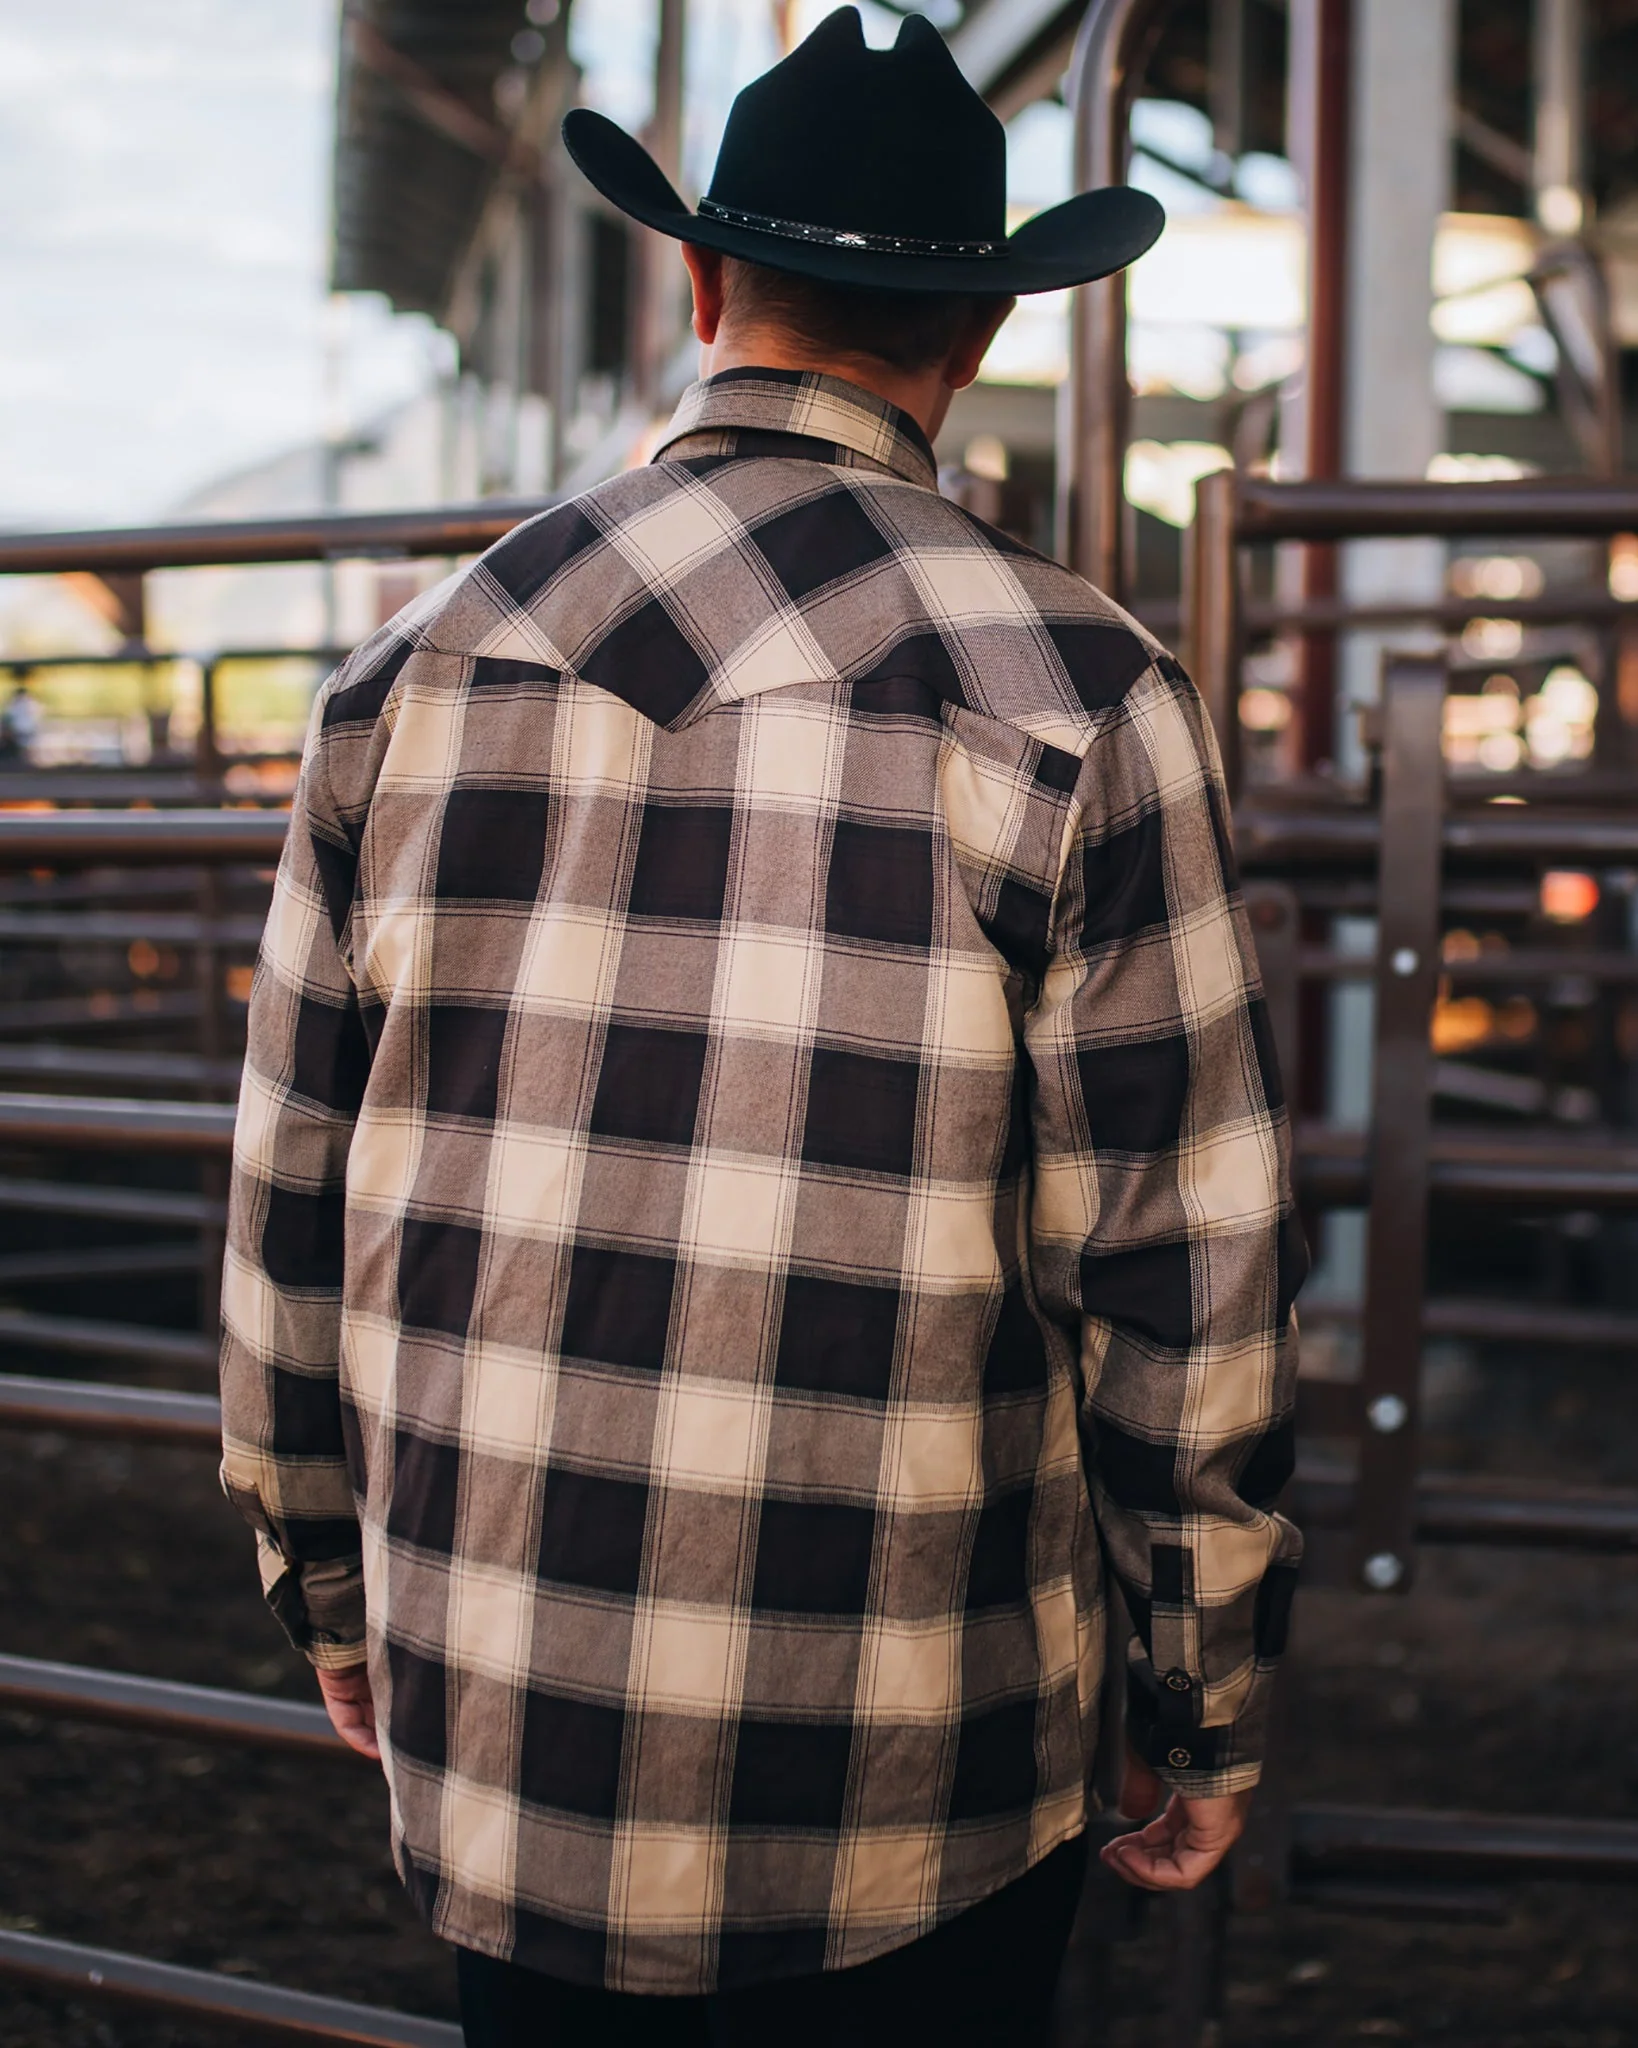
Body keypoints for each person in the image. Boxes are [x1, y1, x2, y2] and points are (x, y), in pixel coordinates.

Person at [219, 12, 1303, 2044]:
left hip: (508, 1691)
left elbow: (294, 1182)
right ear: (976, 331)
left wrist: (328, 1586)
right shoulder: (1085, 693)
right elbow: (1181, 1260)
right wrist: (1205, 1689)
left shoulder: (411, 672)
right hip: (917, 1750)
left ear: (702, 284)